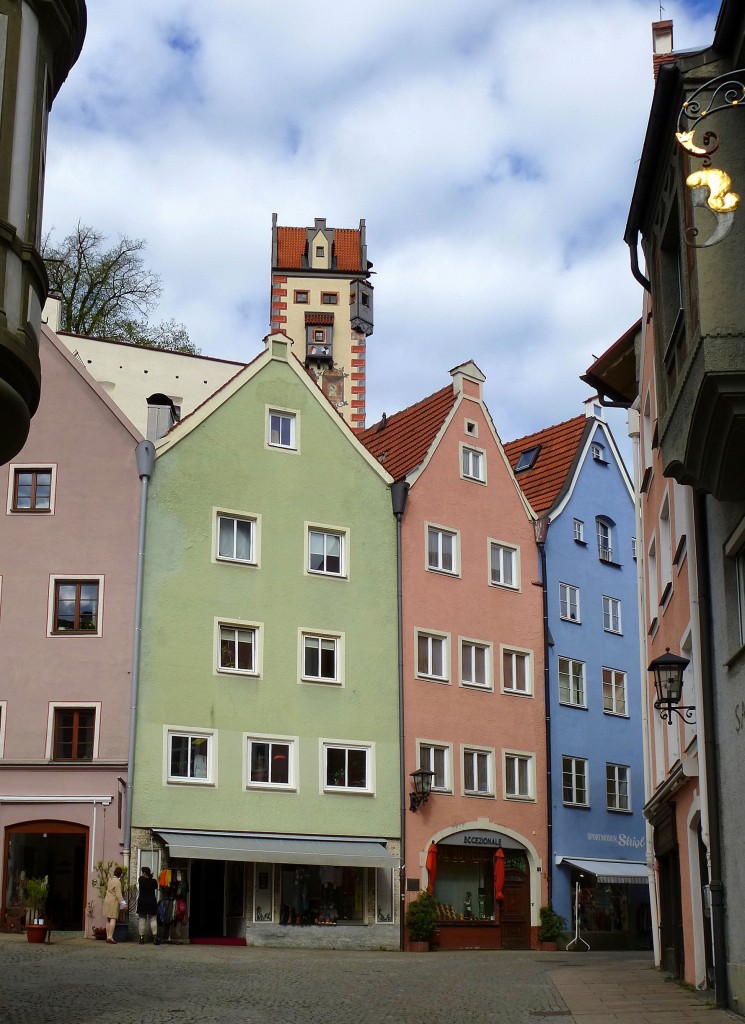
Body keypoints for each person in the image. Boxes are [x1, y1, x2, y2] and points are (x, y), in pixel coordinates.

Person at [137, 866, 160, 945]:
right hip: (151, 901)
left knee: (142, 920)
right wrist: (151, 877)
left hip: (142, 901)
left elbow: (143, 879)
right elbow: (155, 887)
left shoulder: (140, 879)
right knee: (153, 919)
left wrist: (149, 876)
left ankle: (141, 938)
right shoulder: (153, 881)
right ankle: (155, 938)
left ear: (143, 873)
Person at [103, 866, 124, 944]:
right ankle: (110, 937)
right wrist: (123, 904)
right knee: (113, 918)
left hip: (107, 900)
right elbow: (118, 894)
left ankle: (107, 936)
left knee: (108, 919)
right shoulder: (117, 882)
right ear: (120, 874)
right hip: (113, 901)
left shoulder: (110, 879)